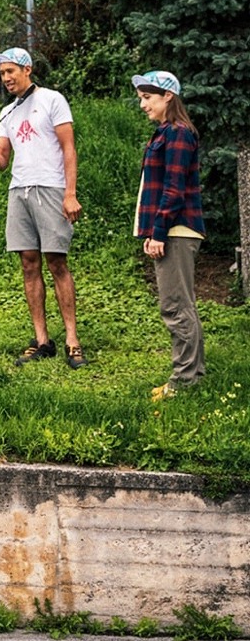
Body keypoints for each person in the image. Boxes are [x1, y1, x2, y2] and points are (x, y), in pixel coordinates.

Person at [0, 47, 85, 369]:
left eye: (11, 71)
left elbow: (68, 147)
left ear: (27, 69)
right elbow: (2, 162)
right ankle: (42, 340)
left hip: (51, 188)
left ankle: (72, 341)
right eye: (2, 73)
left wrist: (70, 194)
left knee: (57, 262)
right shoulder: (8, 112)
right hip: (18, 191)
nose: (6, 78)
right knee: (28, 264)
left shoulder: (52, 100)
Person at [131, 71, 206, 401]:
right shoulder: (166, 132)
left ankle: (183, 381)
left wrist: (158, 232)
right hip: (170, 230)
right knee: (182, 305)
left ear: (168, 97)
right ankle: (193, 375)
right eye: (141, 99)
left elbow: (173, 190)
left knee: (175, 307)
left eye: (148, 98)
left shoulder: (177, 133)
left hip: (176, 231)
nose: (143, 105)